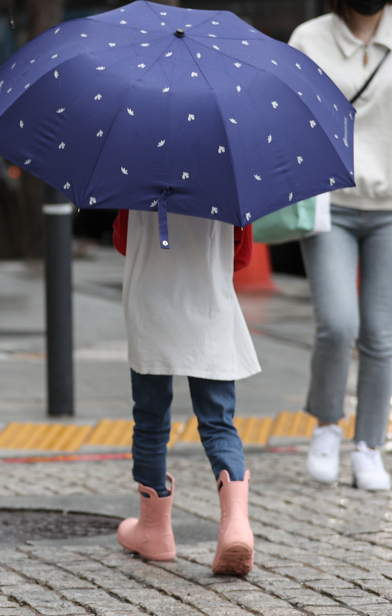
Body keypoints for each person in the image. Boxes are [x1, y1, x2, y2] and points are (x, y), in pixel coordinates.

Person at [288, 0, 392, 490]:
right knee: (336, 323)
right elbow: (290, 119)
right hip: (331, 204)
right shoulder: (309, 39)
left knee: (378, 330)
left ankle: (368, 445)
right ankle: (325, 425)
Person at [112, 210, 258, 575]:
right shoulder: (228, 179)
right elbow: (242, 256)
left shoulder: (136, 170)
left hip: (151, 306)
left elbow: (121, 240)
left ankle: (154, 530)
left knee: (150, 419)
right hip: (209, 309)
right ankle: (236, 525)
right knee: (218, 422)